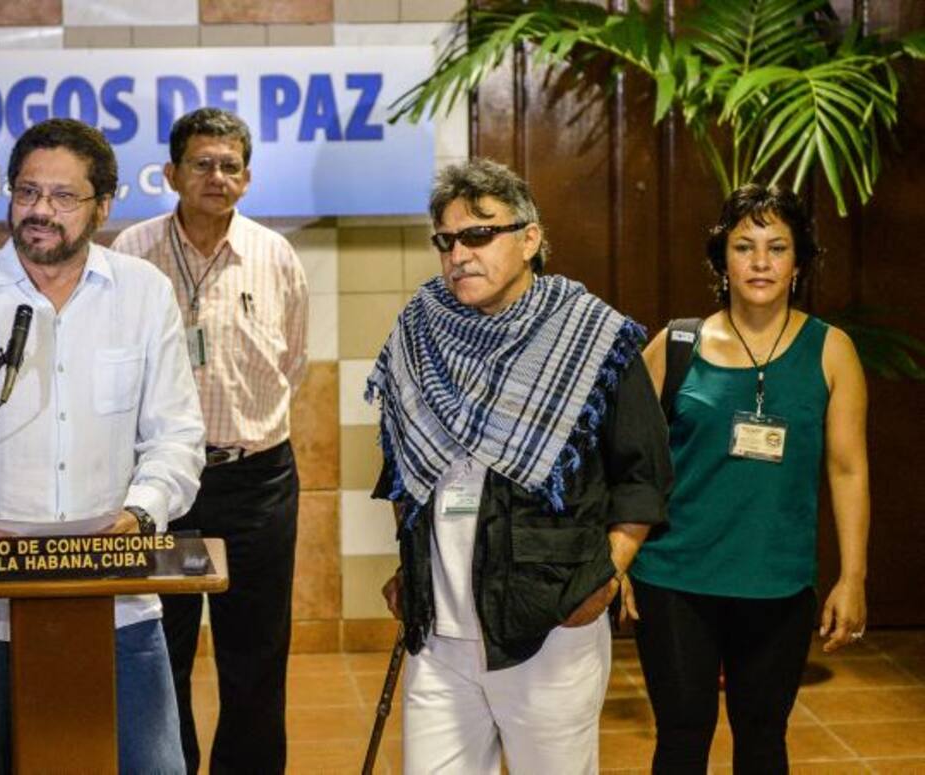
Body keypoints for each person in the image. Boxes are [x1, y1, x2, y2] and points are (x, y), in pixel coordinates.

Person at [0, 118, 204, 775]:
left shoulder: (143, 295)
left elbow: (176, 436)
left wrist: (140, 513)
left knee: (154, 766)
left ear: (103, 206)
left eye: (63, 196)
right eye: (27, 192)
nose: (40, 211)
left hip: (118, 595)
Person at [369, 158, 672, 774]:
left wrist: (603, 578)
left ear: (529, 239)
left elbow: (644, 475)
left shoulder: (590, 338)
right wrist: (412, 566)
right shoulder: (418, 332)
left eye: (479, 235)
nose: (459, 255)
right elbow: (402, 466)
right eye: (446, 241)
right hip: (440, 638)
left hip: (549, 626)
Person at [626, 184, 871, 774]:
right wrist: (619, 560)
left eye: (777, 247)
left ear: (798, 262)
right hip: (675, 578)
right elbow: (628, 464)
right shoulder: (674, 345)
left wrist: (853, 577)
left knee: (762, 740)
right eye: (744, 247)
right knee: (681, 739)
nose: (761, 262)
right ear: (722, 261)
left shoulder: (831, 351)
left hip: (777, 583)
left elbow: (848, 469)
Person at [111, 107, 308, 774]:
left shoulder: (274, 255)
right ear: (170, 173)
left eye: (230, 166)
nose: (217, 177)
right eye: (202, 164)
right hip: (156, 483)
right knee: (157, 649)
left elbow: (292, 361)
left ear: (247, 178)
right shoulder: (131, 253)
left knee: (256, 653)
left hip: (257, 481)